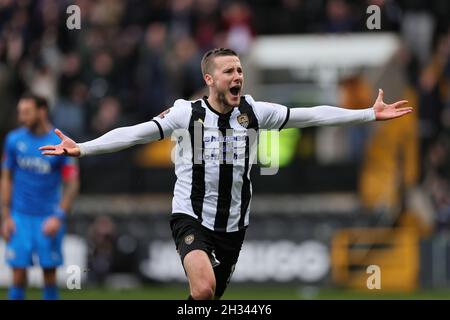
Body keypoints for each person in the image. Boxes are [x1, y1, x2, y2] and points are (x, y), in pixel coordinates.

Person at [40, 48, 412, 300]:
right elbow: (136, 133)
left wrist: (367, 114)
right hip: (190, 217)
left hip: (234, 226)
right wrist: (83, 147)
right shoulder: (186, 113)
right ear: (210, 79)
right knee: (203, 290)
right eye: (229, 71)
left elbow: (310, 114)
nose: (238, 77)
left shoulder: (253, 112)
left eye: (240, 70)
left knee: (206, 299)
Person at [1, 93, 80, 300]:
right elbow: (6, 177)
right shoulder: (13, 140)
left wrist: (58, 216)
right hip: (20, 217)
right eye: (20, 112)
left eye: (27, 112)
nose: (21, 117)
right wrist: (6, 216)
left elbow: (72, 183)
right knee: (17, 276)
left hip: (48, 218)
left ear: (41, 111)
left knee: (49, 277)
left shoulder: (60, 142)